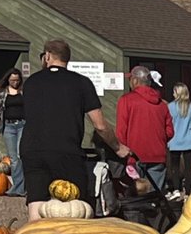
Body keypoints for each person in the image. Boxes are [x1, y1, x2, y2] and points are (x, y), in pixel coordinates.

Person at [20, 38, 129, 221]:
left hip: (33, 150)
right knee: (73, 209)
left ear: (47, 56)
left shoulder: (31, 83)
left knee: (36, 206)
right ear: (67, 59)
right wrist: (118, 147)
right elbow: (100, 125)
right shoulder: (81, 83)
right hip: (66, 151)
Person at [115, 65, 174, 191]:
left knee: (136, 197)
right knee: (155, 196)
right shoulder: (162, 104)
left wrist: (121, 150)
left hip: (134, 155)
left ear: (135, 81)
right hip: (157, 155)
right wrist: (158, 140)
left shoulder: (126, 100)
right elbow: (169, 131)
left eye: (130, 79)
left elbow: (121, 130)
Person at [0, 67, 26, 196]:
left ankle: (21, 188)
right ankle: (17, 187)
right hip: (9, 127)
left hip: (22, 125)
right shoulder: (2, 93)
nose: (15, 83)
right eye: (12, 80)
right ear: (8, 80)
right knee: (13, 158)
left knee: (21, 155)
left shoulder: (24, 92)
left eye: (17, 80)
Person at [167, 83, 191, 199]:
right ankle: (188, 192)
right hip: (190, 141)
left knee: (174, 167)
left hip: (174, 141)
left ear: (177, 93)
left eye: (174, 92)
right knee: (188, 168)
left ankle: (176, 189)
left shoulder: (170, 107)